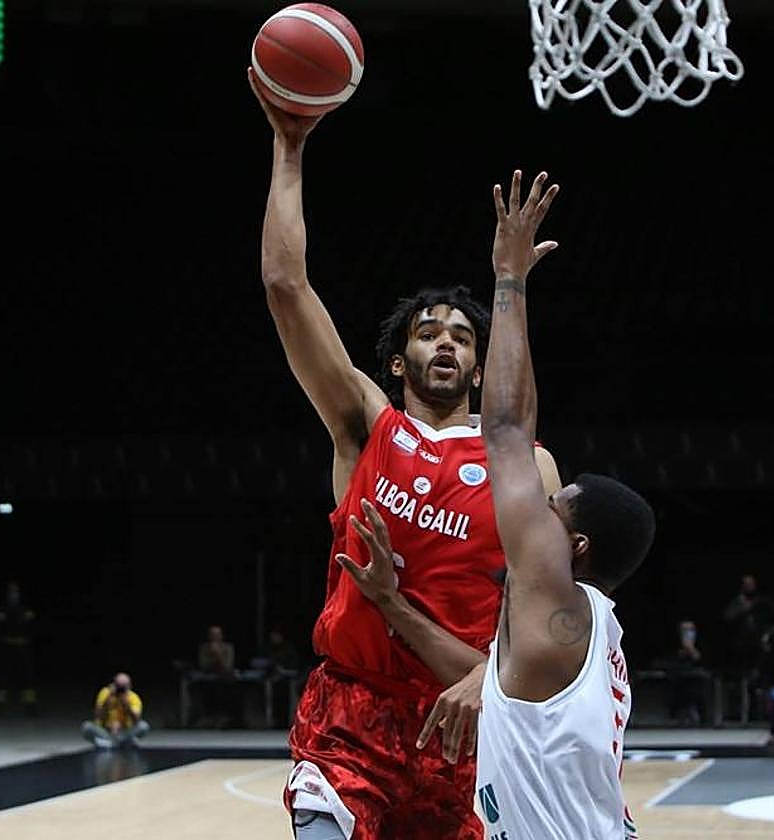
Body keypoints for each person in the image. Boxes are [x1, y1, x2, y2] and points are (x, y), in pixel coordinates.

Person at [249, 76, 562, 840]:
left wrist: (494, 677)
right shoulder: (368, 428)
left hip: (466, 726)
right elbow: (286, 285)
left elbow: (546, 610)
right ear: (398, 361)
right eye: (428, 332)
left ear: (482, 367)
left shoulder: (528, 468)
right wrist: (289, 149)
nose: (446, 341)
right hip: (351, 718)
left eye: (462, 336)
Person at [451, 169, 654, 838]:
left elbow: (508, 429)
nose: (535, 509)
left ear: (576, 547)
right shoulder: (598, 634)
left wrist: (509, 279)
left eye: (552, 508)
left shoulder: (553, 603)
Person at [0, 580, 37, 715]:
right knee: (2, 677)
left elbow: (28, 620)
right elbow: (0, 620)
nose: (13, 594)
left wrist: (14, 618)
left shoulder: (25, 607)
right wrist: (16, 618)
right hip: (6, 645)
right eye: (11, 591)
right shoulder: (2, 607)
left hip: (22, 645)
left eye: (16, 591)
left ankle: (30, 706)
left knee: (27, 677)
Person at [722, 574, 774, 669]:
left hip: (760, 637)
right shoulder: (737, 601)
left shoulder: (760, 599)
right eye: (747, 584)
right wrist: (744, 609)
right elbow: (728, 617)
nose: (750, 586)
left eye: (752, 584)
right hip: (742, 640)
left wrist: (762, 606)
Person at [81, 672, 150, 749]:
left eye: (123, 687)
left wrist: (127, 706)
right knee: (86, 726)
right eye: (118, 686)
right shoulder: (105, 693)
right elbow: (97, 716)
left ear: (129, 686)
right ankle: (121, 744)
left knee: (143, 726)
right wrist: (107, 701)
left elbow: (136, 720)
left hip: (124, 732)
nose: (120, 690)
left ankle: (110, 744)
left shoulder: (133, 698)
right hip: (106, 731)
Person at [668, 620, 710, 726]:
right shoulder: (673, 643)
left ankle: (702, 716)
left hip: (697, 677)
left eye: (691, 630)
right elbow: (671, 661)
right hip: (679, 676)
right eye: (685, 630)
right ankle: (675, 715)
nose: (688, 633)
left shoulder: (702, 643)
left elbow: (704, 661)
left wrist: (692, 651)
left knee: (699, 684)